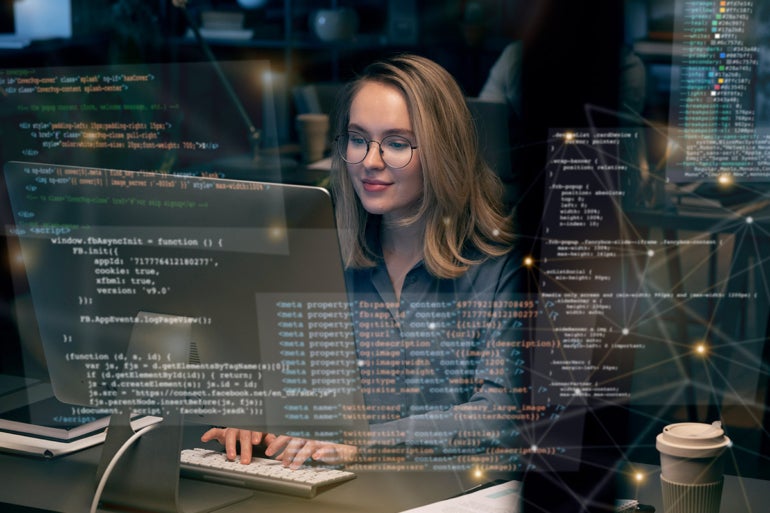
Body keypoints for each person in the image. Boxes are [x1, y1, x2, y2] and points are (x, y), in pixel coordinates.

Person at [202, 54, 528, 470]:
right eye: (358, 139)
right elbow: (274, 379)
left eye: (396, 143)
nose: (370, 162)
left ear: (445, 152)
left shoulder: (504, 268)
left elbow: (500, 414)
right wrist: (252, 416)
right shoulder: (319, 253)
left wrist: (362, 443)